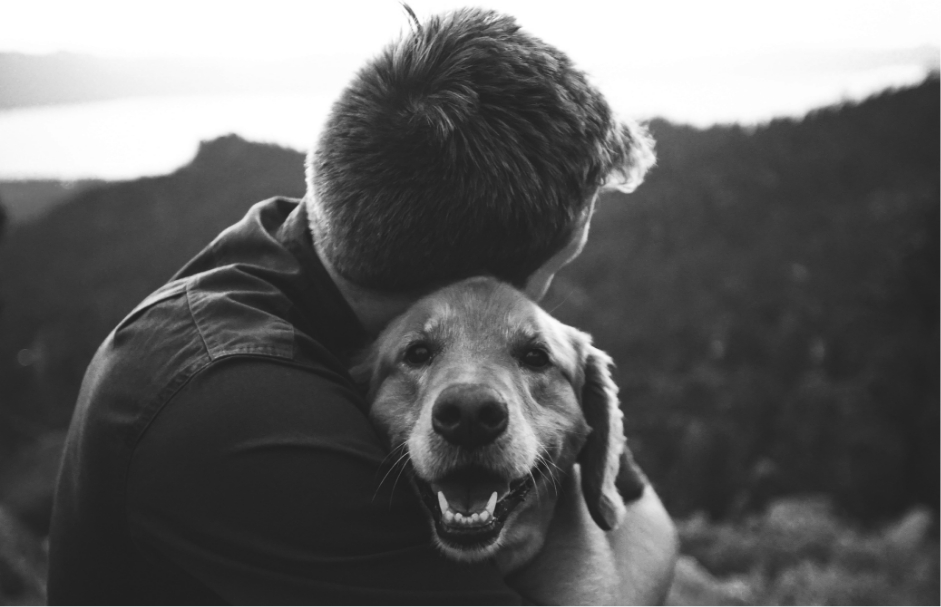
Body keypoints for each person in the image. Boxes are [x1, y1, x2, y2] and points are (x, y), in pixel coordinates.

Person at [47, 8, 676, 604]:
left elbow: (638, 510)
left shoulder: (292, 246)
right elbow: (643, 536)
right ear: (475, 283)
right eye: (556, 270)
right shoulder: (245, 416)